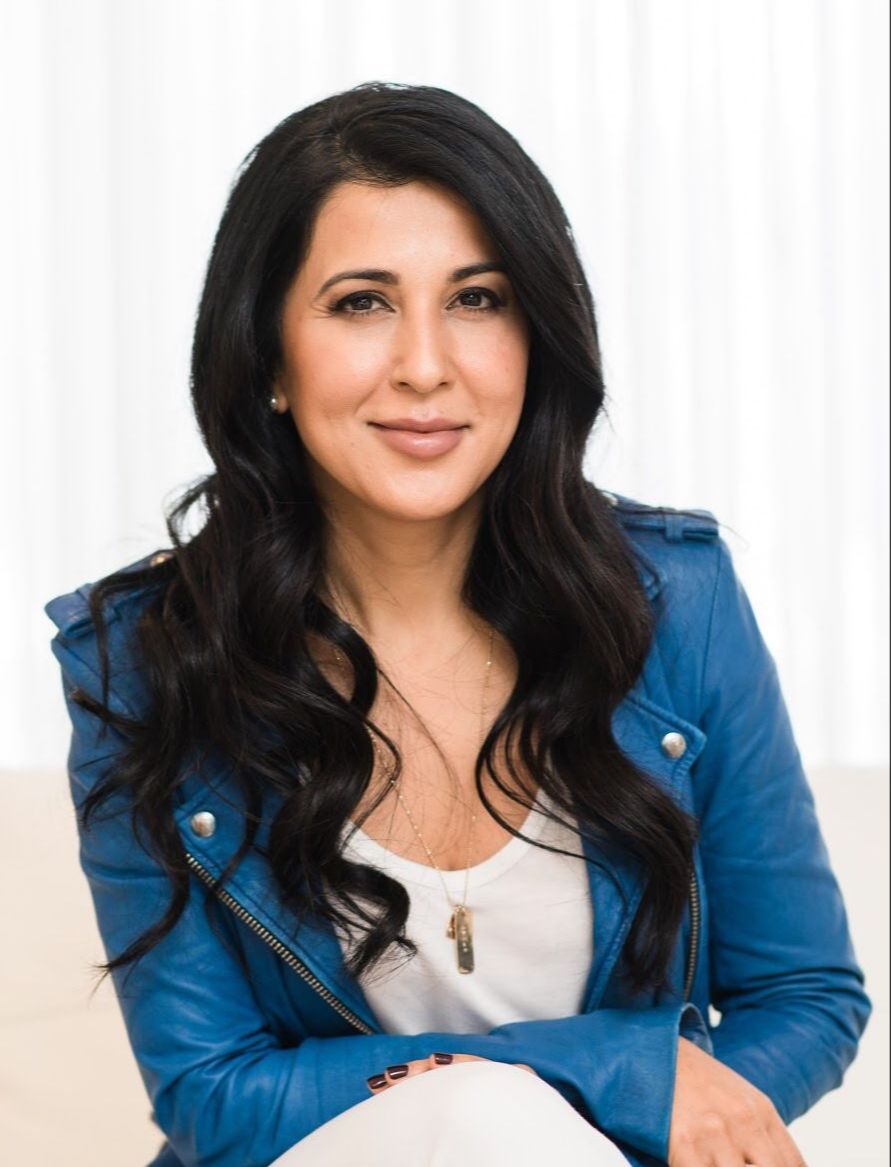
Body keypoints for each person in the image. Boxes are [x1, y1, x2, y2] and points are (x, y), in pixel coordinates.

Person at [44, 81, 871, 1167]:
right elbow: (212, 1093)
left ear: (535, 339)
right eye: (361, 303)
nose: (426, 365)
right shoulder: (145, 659)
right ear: (270, 356)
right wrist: (607, 1067)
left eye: (477, 298)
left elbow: (805, 995)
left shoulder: (675, 602)